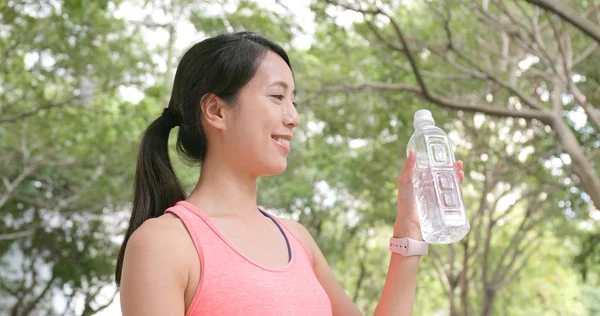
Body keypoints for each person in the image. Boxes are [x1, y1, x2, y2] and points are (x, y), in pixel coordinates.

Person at [116, 31, 464, 316]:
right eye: (277, 97)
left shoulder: (296, 239)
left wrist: (409, 228)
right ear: (215, 110)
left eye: (293, 100)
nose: (293, 117)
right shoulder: (163, 244)